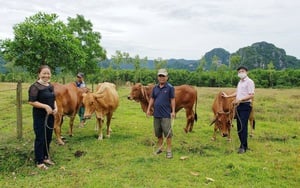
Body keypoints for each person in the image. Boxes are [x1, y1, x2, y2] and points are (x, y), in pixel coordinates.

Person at [28, 65, 57, 170]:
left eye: (48, 73)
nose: (46, 75)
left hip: (50, 116)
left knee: (48, 137)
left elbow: (54, 98)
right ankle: (39, 161)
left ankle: (45, 157)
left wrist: (56, 108)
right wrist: (45, 106)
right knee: (40, 138)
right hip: (40, 116)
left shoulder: (50, 86)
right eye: (44, 73)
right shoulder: (35, 87)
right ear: (39, 74)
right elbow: (32, 101)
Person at [222, 65, 255, 154]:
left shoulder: (249, 82)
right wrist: (228, 96)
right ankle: (244, 145)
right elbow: (238, 92)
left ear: (246, 72)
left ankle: (242, 147)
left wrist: (240, 99)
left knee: (243, 126)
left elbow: (251, 95)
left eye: (242, 71)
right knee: (239, 126)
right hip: (238, 106)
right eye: (239, 72)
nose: (241, 73)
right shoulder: (240, 82)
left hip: (245, 105)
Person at [146, 69, 176, 159]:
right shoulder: (155, 88)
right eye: (160, 76)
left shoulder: (170, 88)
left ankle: (169, 150)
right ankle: (160, 148)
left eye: (163, 76)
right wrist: (148, 109)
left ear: (167, 77)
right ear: (158, 77)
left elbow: (172, 99)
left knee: (167, 133)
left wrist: (173, 111)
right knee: (158, 132)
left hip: (166, 114)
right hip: (156, 114)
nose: (161, 78)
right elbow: (152, 98)